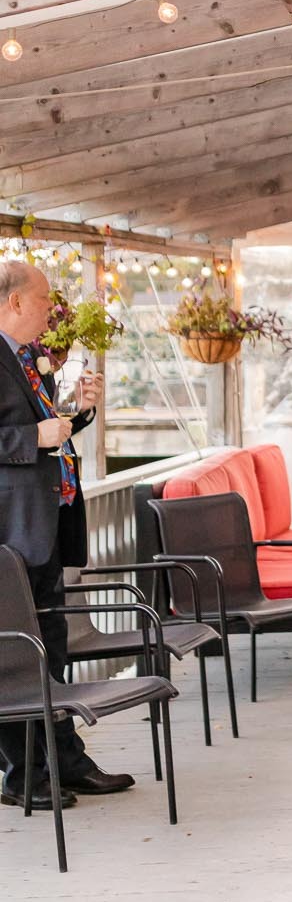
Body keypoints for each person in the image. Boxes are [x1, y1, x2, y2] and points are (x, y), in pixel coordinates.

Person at [0, 260, 133, 807]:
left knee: (51, 650)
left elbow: (51, 435)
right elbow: (25, 437)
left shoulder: (29, 359)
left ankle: (67, 763)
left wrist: (80, 412)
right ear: (13, 302)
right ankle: (22, 776)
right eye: (44, 299)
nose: (52, 310)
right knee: (16, 658)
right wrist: (35, 433)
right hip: (12, 533)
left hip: (45, 526)